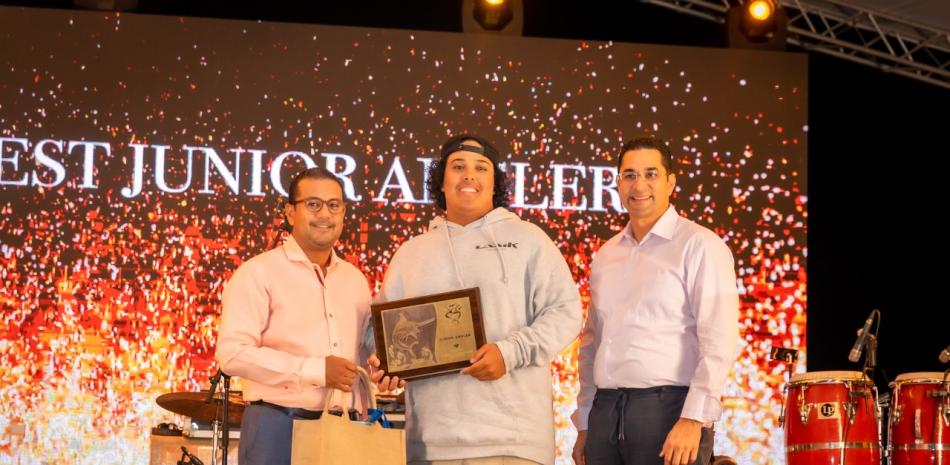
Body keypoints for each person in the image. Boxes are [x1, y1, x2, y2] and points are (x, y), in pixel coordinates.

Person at [372, 134, 582, 465]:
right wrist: (385, 364)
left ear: (494, 182)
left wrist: (509, 352)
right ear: (441, 181)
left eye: (480, 168)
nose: (469, 175)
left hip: (512, 442)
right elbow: (380, 335)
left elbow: (566, 312)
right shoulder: (410, 253)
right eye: (458, 166)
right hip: (428, 444)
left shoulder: (528, 240)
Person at [571, 136, 739, 465]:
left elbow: (719, 340)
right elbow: (592, 343)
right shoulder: (606, 255)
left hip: (670, 412)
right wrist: (585, 422)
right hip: (606, 414)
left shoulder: (700, 244)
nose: (639, 185)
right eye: (629, 175)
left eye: (651, 174)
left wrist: (694, 418)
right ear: (618, 183)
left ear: (670, 181)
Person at [215, 167, 373, 465]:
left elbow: (363, 353)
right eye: (313, 204)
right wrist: (315, 370)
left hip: (346, 427)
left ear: (343, 212)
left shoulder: (356, 280)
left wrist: (382, 367)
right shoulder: (258, 272)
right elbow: (232, 354)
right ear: (290, 212)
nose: (324, 214)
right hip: (277, 426)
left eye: (333, 205)